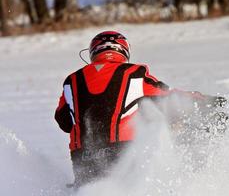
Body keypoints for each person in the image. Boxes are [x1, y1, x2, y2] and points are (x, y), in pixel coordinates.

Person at [54, 31, 218, 188]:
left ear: (93, 52)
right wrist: (202, 99)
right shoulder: (134, 73)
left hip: (83, 159)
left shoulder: (71, 80)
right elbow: (166, 96)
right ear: (123, 50)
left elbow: (63, 122)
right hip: (123, 154)